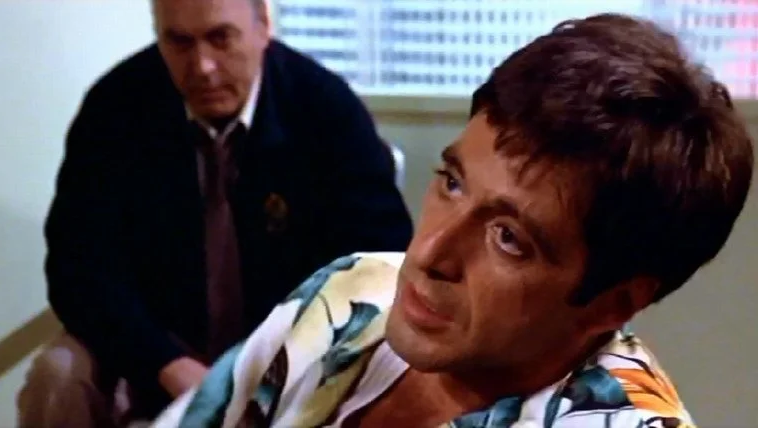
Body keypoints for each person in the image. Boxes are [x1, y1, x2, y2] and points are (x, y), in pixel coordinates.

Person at [152, 13, 754, 428]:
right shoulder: (353, 291)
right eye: (453, 182)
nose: (428, 254)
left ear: (611, 303)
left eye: (508, 238)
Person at [16, 0, 413, 426]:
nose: (202, 67)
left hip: (291, 359)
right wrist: (166, 363)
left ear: (263, 26)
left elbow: (376, 264)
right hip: (157, 356)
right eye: (179, 42)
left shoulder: (325, 109)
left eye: (221, 38)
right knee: (57, 375)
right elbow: (78, 270)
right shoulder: (115, 107)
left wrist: (283, 372)